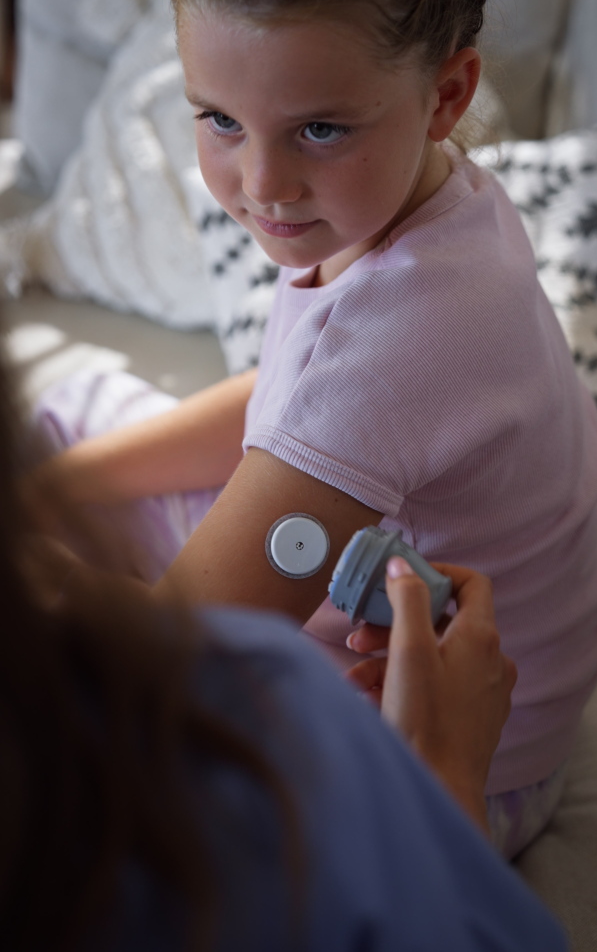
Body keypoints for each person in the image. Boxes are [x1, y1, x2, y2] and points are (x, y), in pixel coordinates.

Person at [29, 0, 597, 859]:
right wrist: (55, 488)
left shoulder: (395, 340)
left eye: (320, 130)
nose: (261, 186)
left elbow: (182, 649)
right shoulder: (443, 199)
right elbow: (290, 405)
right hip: (446, 640)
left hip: (447, 758)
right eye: (217, 118)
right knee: (56, 423)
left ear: (448, 93)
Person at [0, 348, 568, 950]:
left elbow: (302, 403)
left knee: (71, 412)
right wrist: (448, 769)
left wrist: (44, 506)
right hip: (453, 785)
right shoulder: (262, 701)